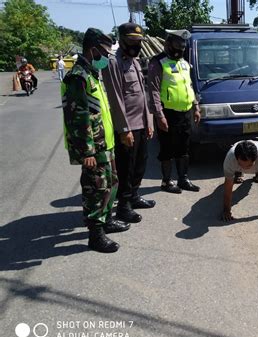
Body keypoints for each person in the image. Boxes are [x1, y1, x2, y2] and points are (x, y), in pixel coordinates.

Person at [61, 28, 130, 253]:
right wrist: (87, 151)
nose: (107, 57)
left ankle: (107, 220)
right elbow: (78, 117)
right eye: (104, 52)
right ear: (92, 50)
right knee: (96, 189)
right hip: (93, 147)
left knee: (111, 183)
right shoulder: (78, 77)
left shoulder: (92, 74)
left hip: (105, 142)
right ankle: (95, 234)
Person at [102, 22, 155, 224]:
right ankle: (123, 207)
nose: (136, 45)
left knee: (140, 163)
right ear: (122, 40)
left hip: (141, 123)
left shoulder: (134, 61)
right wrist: (124, 129)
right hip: (128, 127)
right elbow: (116, 99)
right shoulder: (113, 63)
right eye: (132, 41)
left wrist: (149, 121)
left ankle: (134, 196)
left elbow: (143, 94)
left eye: (138, 41)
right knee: (126, 168)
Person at [148, 29, 201, 194]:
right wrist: (159, 115)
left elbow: (189, 86)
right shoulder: (158, 62)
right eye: (178, 44)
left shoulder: (184, 63)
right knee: (167, 148)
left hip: (185, 112)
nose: (181, 48)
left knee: (184, 147)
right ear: (168, 43)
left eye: (183, 45)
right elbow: (154, 91)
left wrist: (196, 106)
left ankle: (183, 179)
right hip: (168, 114)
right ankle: (166, 182)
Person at [221, 140, 258, 223]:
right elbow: (228, 187)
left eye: (249, 165)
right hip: (237, 162)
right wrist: (226, 210)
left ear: (256, 159)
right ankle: (238, 173)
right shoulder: (230, 159)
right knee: (232, 177)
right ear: (236, 159)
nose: (245, 168)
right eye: (241, 165)